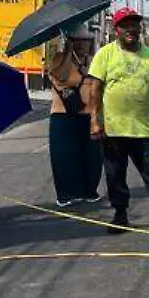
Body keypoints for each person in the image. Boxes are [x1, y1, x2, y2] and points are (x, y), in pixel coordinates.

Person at [85, 7, 149, 234]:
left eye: (135, 25)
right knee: (115, 175)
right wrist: (94, 120)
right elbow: (95, 88)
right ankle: (120, 215)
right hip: (113, 129)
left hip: (142, 129)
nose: (131, 29)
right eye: (126, 25)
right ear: (116, 29)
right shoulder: (105, 54)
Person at [45, 32, 103, 207]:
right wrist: (68, 52)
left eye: (85, 41)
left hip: (89, 115)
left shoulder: (94, 61)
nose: (81, 44)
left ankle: (89, 191)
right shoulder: (60, 59)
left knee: (92, 156)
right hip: (63, 115)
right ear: (70, 41)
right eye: (77, 40)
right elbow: (60, 75)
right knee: (64, 156)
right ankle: (66, 194)